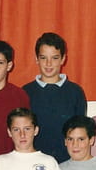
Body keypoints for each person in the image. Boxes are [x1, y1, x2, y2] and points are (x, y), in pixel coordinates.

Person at [22, 32, 86, 162]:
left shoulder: (75, 92)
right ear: (36, 59)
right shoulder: (25, 92)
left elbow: (80, 132)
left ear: (63, 59)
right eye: (43, 58)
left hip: (67, 162)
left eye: (55, 58)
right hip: (33, 162)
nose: (48, 63)